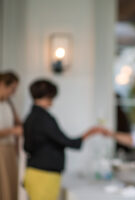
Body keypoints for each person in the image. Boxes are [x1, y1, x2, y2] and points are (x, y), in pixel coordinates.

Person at [23, 79, 102, 200]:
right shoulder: (44, 118)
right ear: (48, 95)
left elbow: (27, 147)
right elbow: (65, 141)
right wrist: (88, 133)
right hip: (44, 175)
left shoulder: (30, 117)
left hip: (35, 172)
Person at [0, 71, 22, 200]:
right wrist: (12, 131)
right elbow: (14, 128)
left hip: (10, 150)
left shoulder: (9, 104)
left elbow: (18, 122)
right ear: (2, 84)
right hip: (1, 150)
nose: (13, 93)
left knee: (11, 186)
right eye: (12, 88)